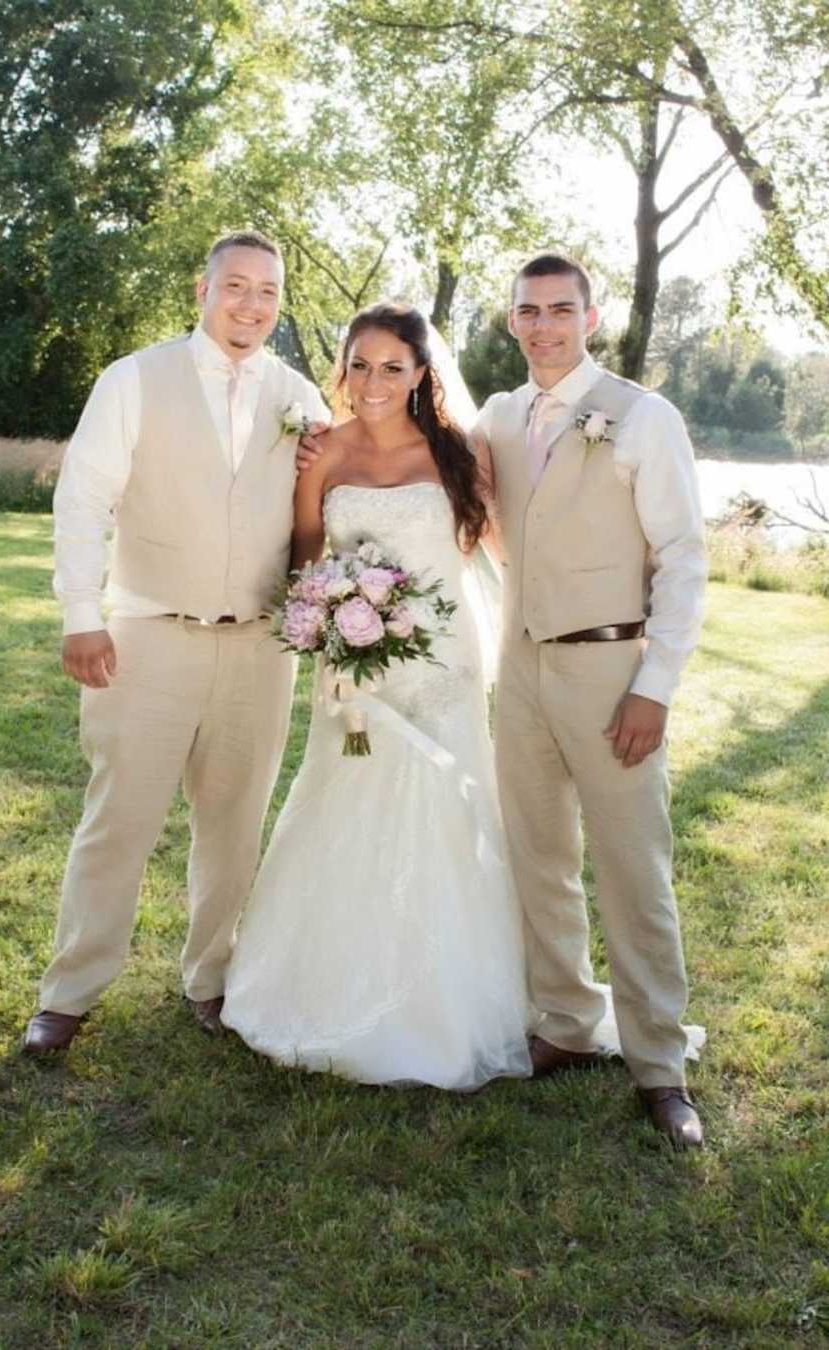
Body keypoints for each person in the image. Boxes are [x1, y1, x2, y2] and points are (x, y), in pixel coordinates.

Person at [23, 231, 329, 1055]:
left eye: (267, 292)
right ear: (204, 289)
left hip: (260, 647)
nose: (251, 305)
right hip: (146, 636)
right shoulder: (133, 379)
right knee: (117, 820)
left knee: (234, 826)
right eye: (236, 286)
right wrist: (80, 613)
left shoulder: (302, 397)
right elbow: (84, 500)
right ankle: (71, 991)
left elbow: (326, 516)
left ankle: (213, 979)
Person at [220, 303, 535, 1090]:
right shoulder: (322, 449)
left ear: (423, 373)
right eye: (360, 364)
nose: (373, 382)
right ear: (343, 368)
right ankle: (329, 983)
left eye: (393, 366)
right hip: (354, 668)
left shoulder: (460, 453)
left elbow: (505, 555)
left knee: (446, 808)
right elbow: (302, 558)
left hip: (444, 666)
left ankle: (446, 1001)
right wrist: (323, 620)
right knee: (347, 801)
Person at [471, 253, 707, 1146]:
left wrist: (654, 685)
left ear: (591, 316)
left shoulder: (644, 419)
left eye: (560, 309)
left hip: (614, 672)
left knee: (633, 870)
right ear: (512, 321)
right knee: (538, 857)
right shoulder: (500, 415)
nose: (544, 326)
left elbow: (684, 557)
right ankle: (566, 1024)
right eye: (528, 311)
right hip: (520, 667)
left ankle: (660, 1067)